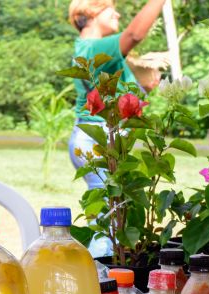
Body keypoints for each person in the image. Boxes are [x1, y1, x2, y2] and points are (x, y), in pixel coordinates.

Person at [67, 0, 165, 183]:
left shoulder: (91, 50)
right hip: (96, 141)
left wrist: (143, 89)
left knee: (113, 206)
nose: (118, 14)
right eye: (111, 9)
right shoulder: (92, 50)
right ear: (90, 13)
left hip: (104, 138)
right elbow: (134, 35)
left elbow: (115, 99)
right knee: (110, 204)